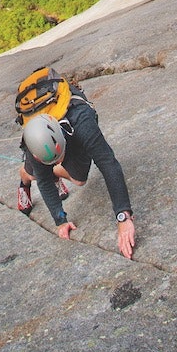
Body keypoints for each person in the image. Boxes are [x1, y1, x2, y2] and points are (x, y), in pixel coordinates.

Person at [17, 84, 136, 259]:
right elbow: (43, 181)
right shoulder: (32, 144)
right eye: (52, 162)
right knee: (35, 174)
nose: (57, 162)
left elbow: (108, 163)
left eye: (57, 159)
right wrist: (60, 220)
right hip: (43, 135)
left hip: (69, 122)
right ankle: (24, 182)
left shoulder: (82, 122)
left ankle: (55, 174)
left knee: (80, 179)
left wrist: (123, 217)